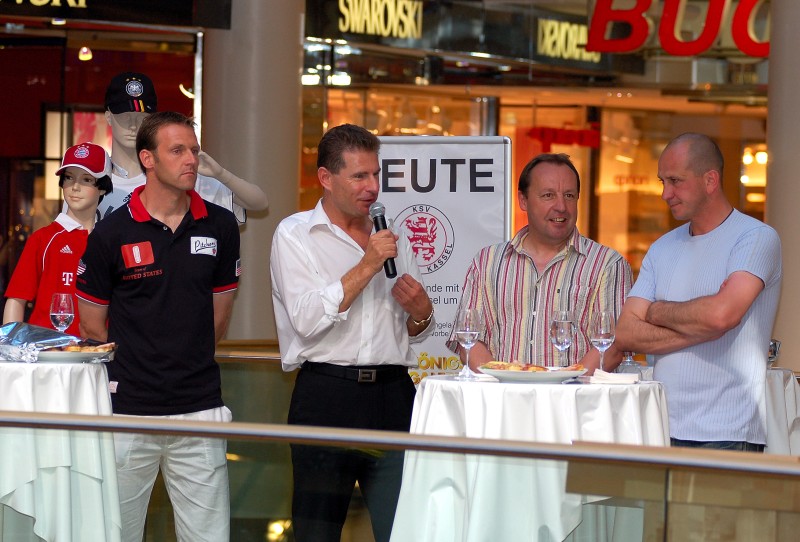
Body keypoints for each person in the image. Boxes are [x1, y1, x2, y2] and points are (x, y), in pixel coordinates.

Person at [76, 111, 241, 541]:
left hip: (200, 408)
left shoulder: (221, 225)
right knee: (117, 534)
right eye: (178, 150)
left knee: (209, 537)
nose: (191, 159)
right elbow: (92, 326)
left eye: (194, 150)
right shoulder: (110, 232)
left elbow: (219, 317)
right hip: (127, 410)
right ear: (147, 159)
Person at [270, 123, 434, 542]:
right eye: (360, 176)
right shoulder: (295, 234)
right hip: (327, 396)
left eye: (376, 174)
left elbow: (410, 330)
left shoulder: (391, 235)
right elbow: (306, 320)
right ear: (326, 178)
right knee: (317, 532)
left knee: (403, 529)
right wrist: (367, 264)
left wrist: (421, 314)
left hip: (394, 397)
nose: (372, 187)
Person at [615, 132, 782, 452]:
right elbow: (625, 333)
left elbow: (721, 315)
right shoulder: (662, 247)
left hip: (729, 430)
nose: (665, 193)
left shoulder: (756, 238)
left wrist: (655, 311)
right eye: (663, 181)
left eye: (675, 181)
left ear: (710, 180)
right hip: (661, 425)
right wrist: (705, 327)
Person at [448, 153, 632, 373]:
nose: (561, 206)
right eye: (548, 195)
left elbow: (611, 348)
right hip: (503, 392)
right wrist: (503, 383)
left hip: (576, 393)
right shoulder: (487, 262)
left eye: (569, 195)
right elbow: (469, 342)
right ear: (523, 200)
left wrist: (563, 386)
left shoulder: (607, 265)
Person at [95, 71, 268, 222]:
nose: (133, 125)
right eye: (125, 117)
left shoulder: (181, 175)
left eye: (142, 117)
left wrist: (220, 174)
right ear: (109, 117)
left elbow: (259, 202)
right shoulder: (92, 178)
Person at [3, 142, 112, 335]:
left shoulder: (111, 241)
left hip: (97, 348)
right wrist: (9, 345)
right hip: (46, 348)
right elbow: (16, 299)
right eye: (69, 177)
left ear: (102, 188)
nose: (75, 187)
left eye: (87, 180)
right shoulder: (43, 239)